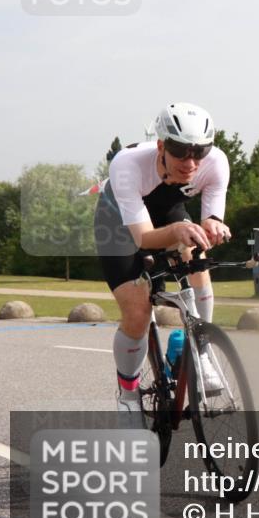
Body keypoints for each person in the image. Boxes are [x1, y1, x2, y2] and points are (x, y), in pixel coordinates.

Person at [94, 102, 231, 426]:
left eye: (199, 151)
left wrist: (212, 225)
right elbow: (142, 238)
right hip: (119, 227)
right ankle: (128, 395)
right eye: (181, 151)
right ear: (161, 146)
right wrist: (178, 232)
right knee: (138, 311)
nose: (191, 161)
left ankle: (201, 353)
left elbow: (210, 214)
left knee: (196, 256)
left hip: (168, 214)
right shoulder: (128, 164)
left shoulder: (216, 164)